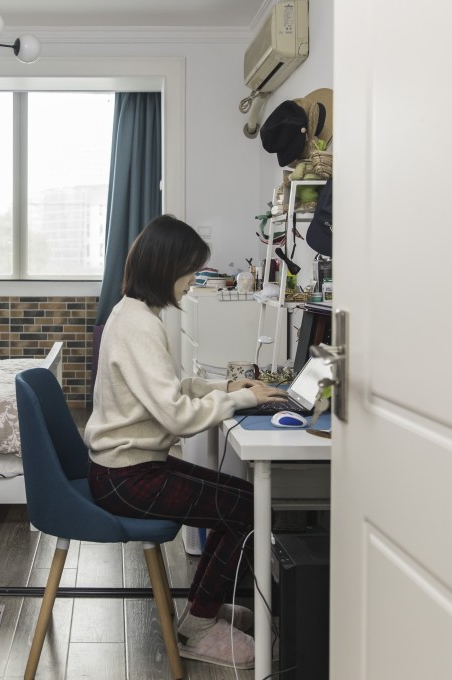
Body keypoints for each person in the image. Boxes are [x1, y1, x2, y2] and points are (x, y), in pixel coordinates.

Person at [85, 214, 286, 670]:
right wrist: (238, 403)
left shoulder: (133, 313)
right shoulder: (139, 326)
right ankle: (199, 626)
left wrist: (226, 389)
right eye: (191, 270)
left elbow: (171, 387)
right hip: (128, 476)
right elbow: (176, 415)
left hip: (127, 467)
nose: (194, 281)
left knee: (244, 501)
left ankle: (204, 610)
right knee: (244, 508)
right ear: (166, 267)